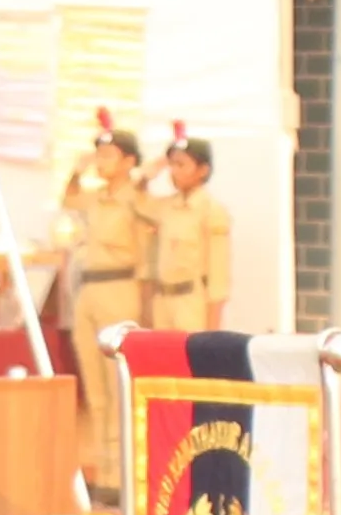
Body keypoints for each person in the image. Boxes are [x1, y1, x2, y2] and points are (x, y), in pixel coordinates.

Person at [58, 126, 153, 490]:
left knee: (117, 385)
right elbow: (69, 200)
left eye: (110, 156)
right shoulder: (94, 198)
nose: (102, 162)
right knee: (94, 387)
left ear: (129, 161)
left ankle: (121, 471)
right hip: (89, 290)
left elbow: (149, 244)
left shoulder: (136, 198)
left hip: (119, 286)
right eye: (99, 154)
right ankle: (101, 467)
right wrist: (76, 170)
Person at [144, 139, 236, 336]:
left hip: (192, 302)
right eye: (172, 165)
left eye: (181, 165)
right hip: (162, 301)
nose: (174, 171)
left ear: (202, 170)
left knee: (189, 363)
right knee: (163, 364)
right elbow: (133, 204)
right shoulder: (164, 207)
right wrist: (145, 177)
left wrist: (213, 328)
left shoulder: (211, 211)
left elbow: (218, 275)